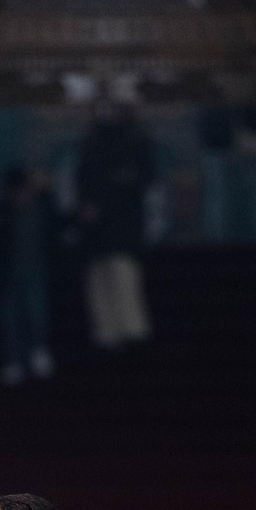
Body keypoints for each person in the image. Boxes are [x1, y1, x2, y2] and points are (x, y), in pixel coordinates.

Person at [76, 102, 155, 349]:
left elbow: (142, 176)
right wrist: (88, 206)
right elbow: (84, 181)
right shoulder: (92, 144)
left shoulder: (133, 142)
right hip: (98, 232)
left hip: (122, 228)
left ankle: (130, 333)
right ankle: (108, 334)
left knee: (122, 277)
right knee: (100, 282)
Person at [0, 165, 57, 385]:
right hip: (9, 275)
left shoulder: (42, 206)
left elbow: (54, 228)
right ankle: (13, 361)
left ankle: (38, 352)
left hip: (36, 273)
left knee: (37, 315)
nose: (20, 195)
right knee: (10, 321)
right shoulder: (4, 211)